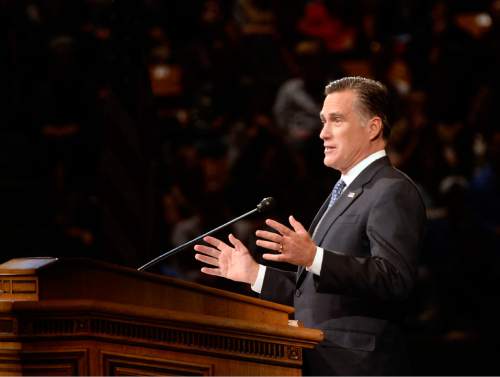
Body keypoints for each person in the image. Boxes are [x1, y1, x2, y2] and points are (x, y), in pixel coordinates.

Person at [194, 76, 426, 375]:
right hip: (320, 359)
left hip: (356, 365)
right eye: (322, 121)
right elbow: (319, 295)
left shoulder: (391, 189)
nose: (322, 133)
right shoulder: (343, 191)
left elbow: (394, 280)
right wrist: (255, 274)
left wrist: (313, 257)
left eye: (336, 120)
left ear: (373, 127)